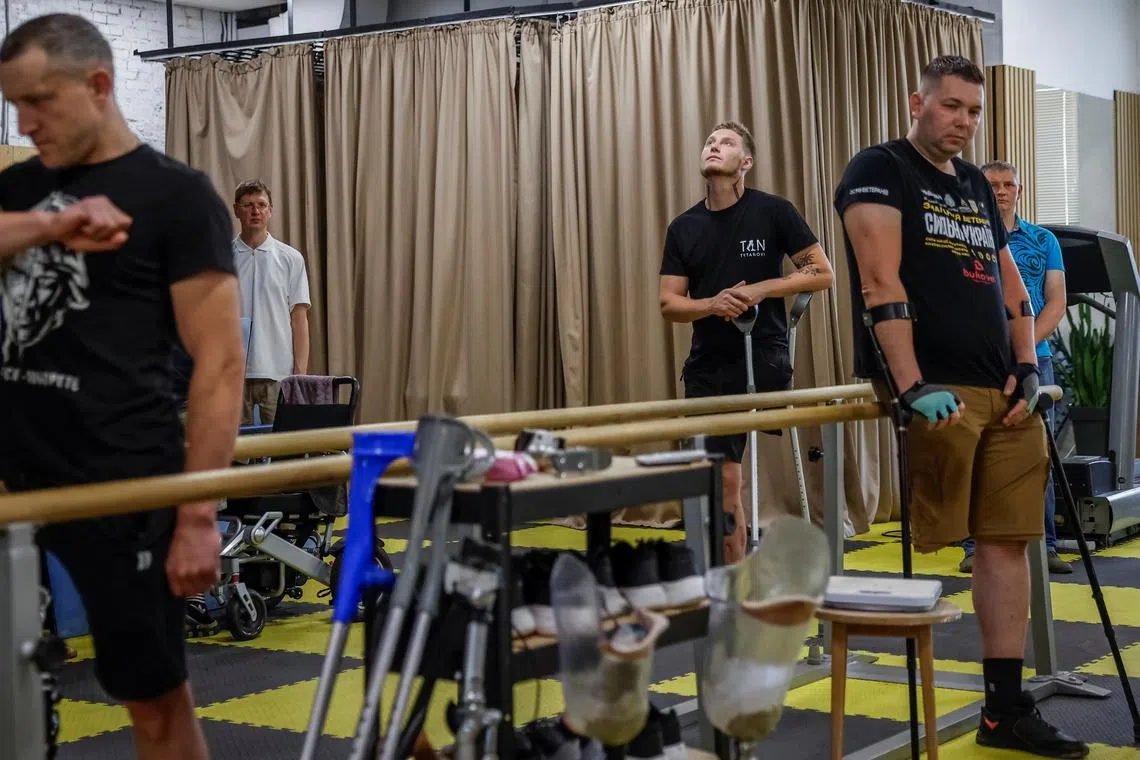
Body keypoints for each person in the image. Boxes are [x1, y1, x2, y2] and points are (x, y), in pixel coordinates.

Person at [0, 13, 245, 760]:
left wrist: (198, 514)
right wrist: (53, 226)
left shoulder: (176, 198)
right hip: (15, 481)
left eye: (40, 101)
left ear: (99, 85)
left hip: (121, 487)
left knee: (153, 701)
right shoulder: (23, 188)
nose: (24, 120)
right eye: (14, 104)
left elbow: (220, 365)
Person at [834, 55, 1088, 757]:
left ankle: (1004, 710)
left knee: (1007, 543)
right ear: (916, 101)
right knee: (942, 537)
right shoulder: (878, 168)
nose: (963, 123)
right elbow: (880, 280)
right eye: (951, 107)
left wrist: (1029, 367)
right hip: (936, 389)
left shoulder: (976, 183)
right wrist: (911, 385)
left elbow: (1012, 287)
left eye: (973, 112)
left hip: (1004, 390)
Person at [659, 120, 834, 564]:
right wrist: (713, 305)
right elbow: (669, 303)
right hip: (709, 363)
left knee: (726, 479)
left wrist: (760, 290)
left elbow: (822, 273)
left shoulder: (773, 211)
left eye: (727, 143)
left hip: (763, 354)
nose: (714, 147)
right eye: (710, 142)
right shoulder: (684, 227)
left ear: (746, 162)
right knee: (720, 486)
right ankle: (731, 583)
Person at [958, 161, 1071, 574]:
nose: (1002, 191)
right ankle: (973, 546)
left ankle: (1046, 544)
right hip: (980, 360)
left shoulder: (1044, 240)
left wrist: (1024, 346)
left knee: (1037, 453)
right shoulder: (963, 239)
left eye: (1009, 185)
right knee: (978, 451)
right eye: (993, 185)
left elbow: (1056, 301)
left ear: (1019, 191)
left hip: (1035, 359)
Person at [232, 179, 311, 426]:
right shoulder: (221, 257)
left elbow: (299, 319)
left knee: (281, 450)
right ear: (236, 210)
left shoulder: (290, 258)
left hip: (278, 372)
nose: (255, 211)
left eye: (261, 205)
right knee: (235, 455)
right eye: (248, 205)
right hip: (232, 373)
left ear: (270, 210)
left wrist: (300, 374)